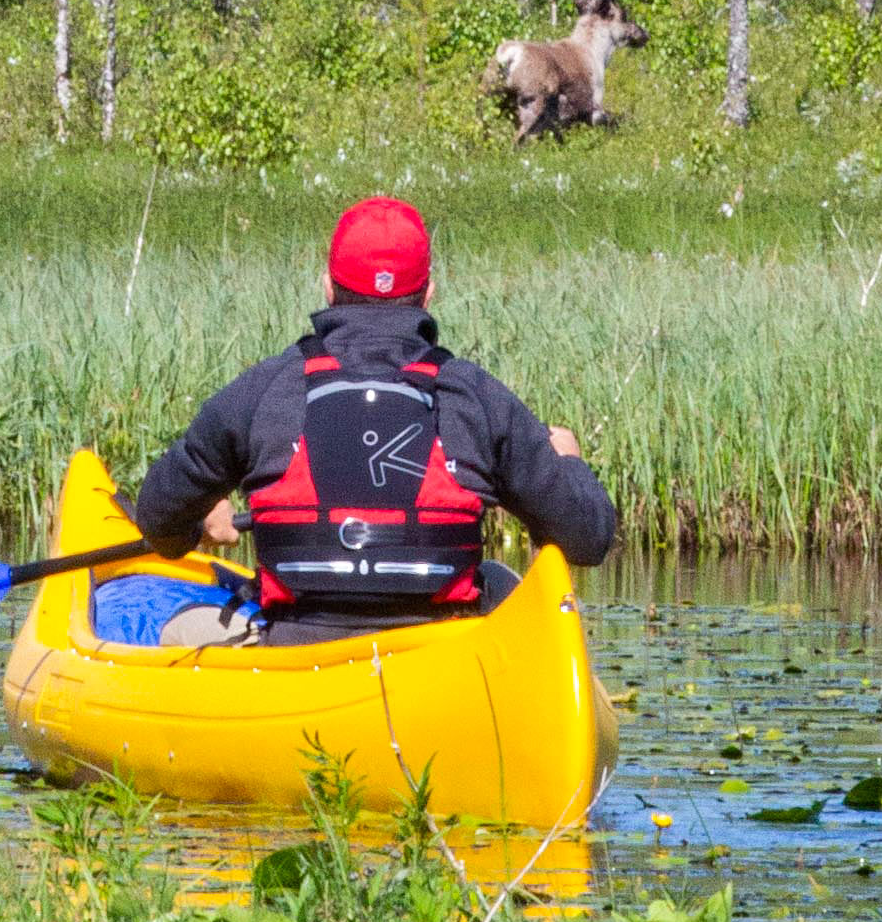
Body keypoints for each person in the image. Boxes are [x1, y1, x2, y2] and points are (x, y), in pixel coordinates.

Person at [123, 196, 616, 648]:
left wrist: (199, 523)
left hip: (294, 650)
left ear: (328, 288)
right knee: (501, 582)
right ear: (429, 295)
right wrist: (568, 463)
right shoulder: (475, 397)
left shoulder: (262, 390)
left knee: (175, 626)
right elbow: (588, 539)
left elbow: (157, 520)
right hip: (437, 657)